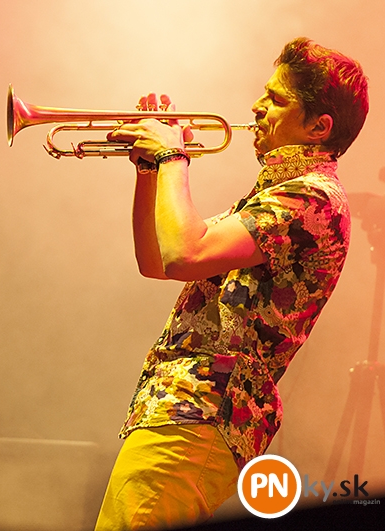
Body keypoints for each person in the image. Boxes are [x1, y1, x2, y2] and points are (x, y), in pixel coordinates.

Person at [94, 37, 368, 529]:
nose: (257, 106)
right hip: (186, 408)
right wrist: (148, 169)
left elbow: (185, 254)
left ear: (318, 127)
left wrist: (172, 156)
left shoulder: (313, 198)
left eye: (276, 99)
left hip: (205, 410)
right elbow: (157, 260)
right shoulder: (276, 196)